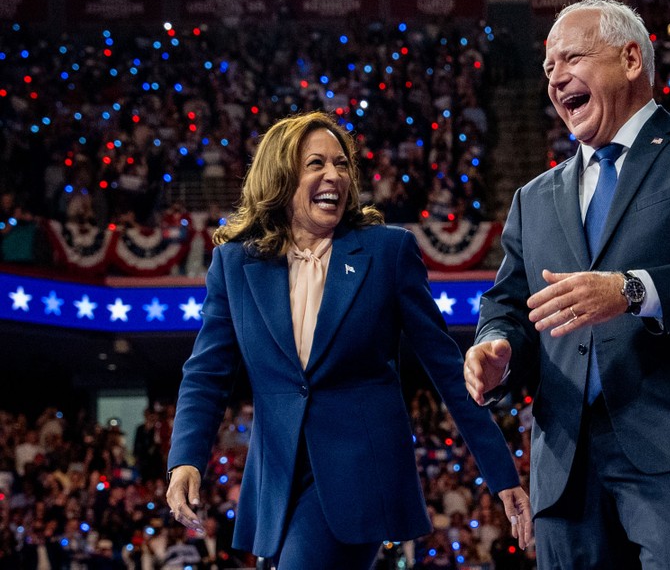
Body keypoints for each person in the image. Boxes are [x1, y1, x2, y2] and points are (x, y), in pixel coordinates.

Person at [464, 0, 670, 569]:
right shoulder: (533, 198)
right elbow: (507, 304)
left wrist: (630, 290)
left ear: (631, 59)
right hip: (564, 465)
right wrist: (496, 348)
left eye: (572, 58)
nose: (555, 77)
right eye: (547, 68)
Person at [166, 111, 532, 568]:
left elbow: (445, 367)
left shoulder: (387, 252)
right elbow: (206, 372)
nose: (333, 175)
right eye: (315, 163)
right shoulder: (235, 264)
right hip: (277, 483)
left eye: (341, 164)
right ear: (280, 175)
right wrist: (186, 459)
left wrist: (501, 474)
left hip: (359, 476)